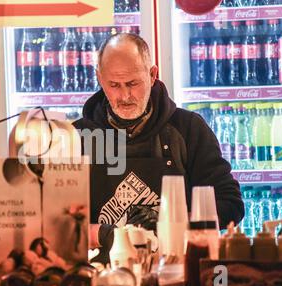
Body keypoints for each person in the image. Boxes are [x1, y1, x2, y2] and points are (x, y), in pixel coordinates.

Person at [72, 33, 244, 260]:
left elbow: (230, 204)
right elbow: (56, 223)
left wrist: (172, 221)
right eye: (114, 85)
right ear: (99, 78)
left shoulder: (188, 129)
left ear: (152, 75)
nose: (124, 96)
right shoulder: (75, 137)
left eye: (133, 83)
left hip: (177, 269)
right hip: (103, 275)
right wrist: (101, 234)